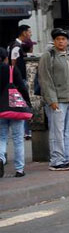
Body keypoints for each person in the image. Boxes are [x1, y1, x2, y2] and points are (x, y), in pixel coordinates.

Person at [39, 28, 69, 171]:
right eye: (58, 39)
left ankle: (66, 159)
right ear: (54, 41)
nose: (61, 41)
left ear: (67, 41)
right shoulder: (48, 56)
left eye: (63, 39)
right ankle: (56, 161)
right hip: (57, 101)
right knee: (57, 131)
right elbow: (45, 79)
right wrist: (52, 100)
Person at [0, 47, 30, 177]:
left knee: (1, 137)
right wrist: (28, 104)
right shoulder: (12, 69)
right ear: (6, 57)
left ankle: (1, 159)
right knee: (18, 139)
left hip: (0, 110)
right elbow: (23, 88)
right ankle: (19, 169)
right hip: (15, 108)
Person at [8, 25, 32, 139]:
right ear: (23, 33)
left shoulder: (18, 46)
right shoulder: (16, 47)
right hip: (19, 81)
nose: (30, 34)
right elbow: (12, 64)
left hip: (19, 80)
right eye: (29, 32)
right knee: (22, 105)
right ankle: (24, 131)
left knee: (22, 105)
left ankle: (25, 131)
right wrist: (14, 81)